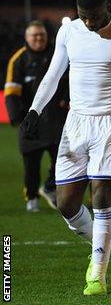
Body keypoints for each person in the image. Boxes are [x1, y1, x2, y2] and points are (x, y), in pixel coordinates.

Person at [21, 0, 111, 296]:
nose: (89, 23)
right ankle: (102, 238)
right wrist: (34, 111)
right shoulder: (69, 31)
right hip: (76, 122)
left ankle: (97, 274)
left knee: (102, 197)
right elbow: (54, 74)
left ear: (107, 7)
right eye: (84, 16)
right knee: (66, 203)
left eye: (94, 17)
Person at [4, 20, 69, 212]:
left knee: (64, 159)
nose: (39, 38)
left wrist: (67, 99)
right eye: (34, 35)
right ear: (26, 38)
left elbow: (70, 79)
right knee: (31, 164)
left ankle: (50, 187)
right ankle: (31, 197)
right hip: (31, 121)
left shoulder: (59, 54)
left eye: (42, 34)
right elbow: (11, 92)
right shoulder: (19, 60)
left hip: (58, 120)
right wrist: (18, 119)